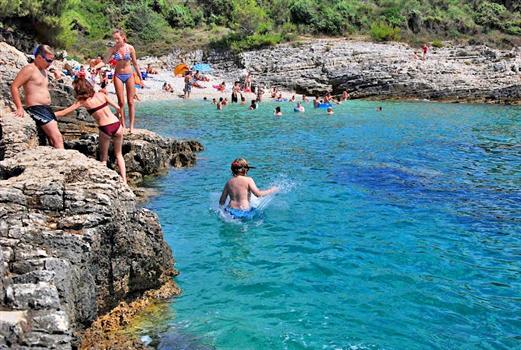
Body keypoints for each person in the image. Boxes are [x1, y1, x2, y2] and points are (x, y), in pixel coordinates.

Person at [54, 76, 127, 183]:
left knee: (103, 158)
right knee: (119, 154)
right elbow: (118, 108)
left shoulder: (82, 102)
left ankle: (106, 182)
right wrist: (118, 117)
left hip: (105, 128)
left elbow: (65, 112)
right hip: (116, 124)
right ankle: (124, 181)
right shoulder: (101, 95)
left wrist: (51, 114)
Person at [11, 44, 64, 149]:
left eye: (52, 61)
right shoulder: (29, 69)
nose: (50, 63)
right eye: (48, 60)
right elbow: (14, 86)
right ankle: (64, 162)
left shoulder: (43, 71)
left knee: (53, 139)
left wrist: (56, 78)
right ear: (39, 57)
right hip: (37, 108)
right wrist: (19, 107)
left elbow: (41, 88)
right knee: (57, 137)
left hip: (46, 109)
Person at [95, 29, 143, 133]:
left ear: (123, 37)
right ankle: (123, 125)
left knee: (130, 102)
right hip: (118, 76)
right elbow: (104, 62)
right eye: (115, 39)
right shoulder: (113, 49)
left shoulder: (130, 48)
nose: (116, 40)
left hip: (129, 75)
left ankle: (131, 127)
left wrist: (140, 78)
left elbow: (135, 64)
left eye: (118, 38)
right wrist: (95, 67)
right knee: (121, 102)